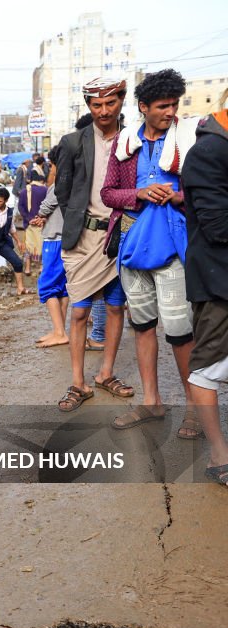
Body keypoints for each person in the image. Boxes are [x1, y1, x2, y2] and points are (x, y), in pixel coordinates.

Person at [101, 69, 200, 437]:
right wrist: (139, 194)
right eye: (162, 106)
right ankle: (152, 402)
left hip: (173, 248)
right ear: (143, 107)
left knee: (179, 331)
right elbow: (108, 193)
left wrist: (177, 196)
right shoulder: (125, 143)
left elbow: (208, 190)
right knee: (142, 327)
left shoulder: (189, 139)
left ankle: (194, 410)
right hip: (131, 245)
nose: (170, 112)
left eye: (174, 105)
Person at [54, 78, 134, 413]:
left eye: (110, 103)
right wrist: (78, 218)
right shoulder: (72, 143)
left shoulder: (134, 141)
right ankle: (78, 382)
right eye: (96, 105)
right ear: (88, 106)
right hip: (83, 239)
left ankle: (105, 374)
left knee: (116, 308)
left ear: (121, 101)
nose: (103, 111)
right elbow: (62, 190)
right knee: (80, 312)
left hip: (120, 237)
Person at [182, 104, 228, 487]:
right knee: (208, 364)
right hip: (219, 280)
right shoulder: (208, 152)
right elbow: (217, 225)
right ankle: (219, 454)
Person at [32, 149, 69, 348]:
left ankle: (60, 332)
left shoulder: (60, 183)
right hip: (65, 238)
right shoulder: (74, 181)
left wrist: (40, 214)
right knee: (62, 287)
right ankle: (59, 330)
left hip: (55, 239)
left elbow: (48, 203)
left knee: (46, 285)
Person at [18, 170, 48, 275]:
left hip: (29, 223)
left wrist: (28, 218)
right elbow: (48, 206)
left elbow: (20, 207)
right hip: (41, 222)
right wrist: (41, 217)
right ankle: (41, 266)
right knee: (41, 244)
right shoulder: (45, 190)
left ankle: (27, 268)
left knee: (29, 245)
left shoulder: (23, 191)